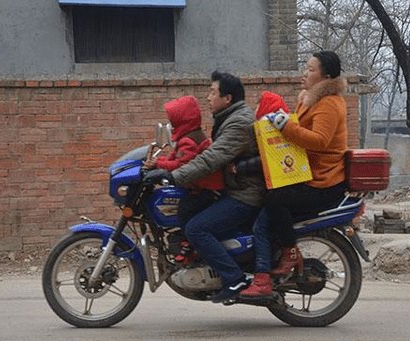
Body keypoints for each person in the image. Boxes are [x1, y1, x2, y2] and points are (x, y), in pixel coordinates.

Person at [144, 71, 265, 303]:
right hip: (236, 188)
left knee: (197, 228)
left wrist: (173, 176)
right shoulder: (229, 117)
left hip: (245, 194)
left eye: (212, 92)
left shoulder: (238, 122)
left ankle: (234, 278)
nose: (208, 97)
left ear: (227, 98)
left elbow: (210, 159)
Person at [240, 50, 348, 298]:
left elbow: (319, 141)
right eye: (306, 68)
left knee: (273, 199)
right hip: (307, 173)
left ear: (326, 76)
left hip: (324, 181)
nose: (305, 74)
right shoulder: (311, 99)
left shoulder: (329, 104)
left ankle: (287, 254)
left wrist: (285, 126)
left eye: (311, 70)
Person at [143, 95, 224, 230]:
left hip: (207, 189)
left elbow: (182, 166)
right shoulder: (187, 137)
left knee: (185, 209)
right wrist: (155, 162)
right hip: (199, 187)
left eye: (173, 121)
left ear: (181, 121)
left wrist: (158, 164)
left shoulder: (189, 141)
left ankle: (186, 243)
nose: (171, 125)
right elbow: (173, 158)